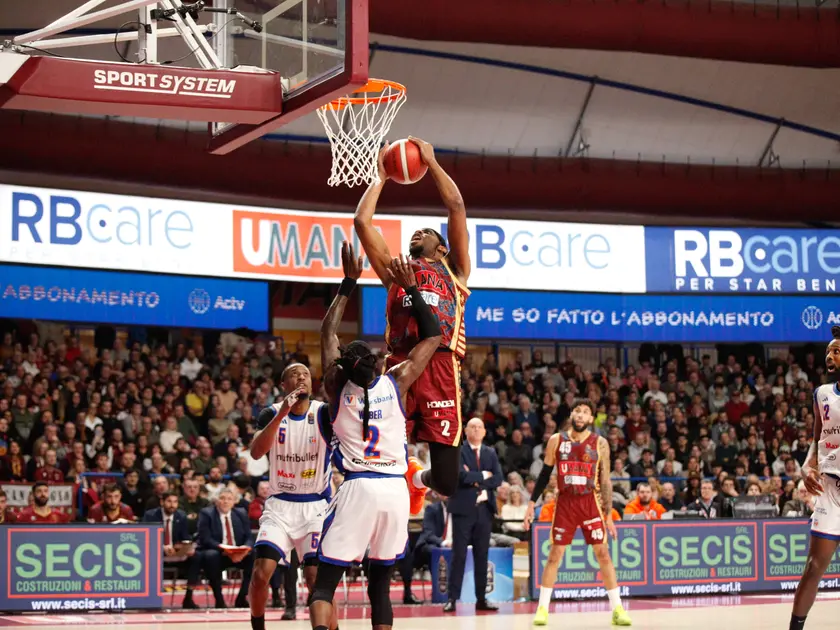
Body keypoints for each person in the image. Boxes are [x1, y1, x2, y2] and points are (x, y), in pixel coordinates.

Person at [308, 247, 441, 630]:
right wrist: (412, 289)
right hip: (395, 492)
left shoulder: (336, 387)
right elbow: (433, 334)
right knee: (380, 588)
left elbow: (327, 331)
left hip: (358, 487)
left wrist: (349, 281)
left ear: (342, 366)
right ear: (376, 363)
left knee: (324, 587)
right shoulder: (396, 381)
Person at [354, 137, 471, 514]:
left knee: (448, 484)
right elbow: (362, 222)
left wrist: (432, 162)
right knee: (379, 465)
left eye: (428, 232)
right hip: (400, 369)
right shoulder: (395, 272)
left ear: (442, 248)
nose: (418, 234)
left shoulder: (455, 270)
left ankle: (417, 479)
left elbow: (455, 206)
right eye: (414, 233)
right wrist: (382, 176)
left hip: (440, 367)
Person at [524, 401, 632, 626]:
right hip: (564, 502)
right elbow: (544, 474)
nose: (581, 415)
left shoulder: (600, 443)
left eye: (585, 412)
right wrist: (530, 504)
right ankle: (542, 608)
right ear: (571, 414)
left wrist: (609, 514)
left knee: (603, 554)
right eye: (577, 411)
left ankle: (617, 608)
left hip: (589, 502)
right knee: (555, 555)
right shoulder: (556, 440)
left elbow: (604, 480)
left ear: (591, 419)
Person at [248, 361, 332, 628]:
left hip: (315, 505)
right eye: (294, 374)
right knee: (262, 573)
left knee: (316, 578)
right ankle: (258, 624)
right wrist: (282, 413)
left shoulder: (324, 414)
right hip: (280, 506)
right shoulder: (270, 413)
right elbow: (256, 452)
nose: (301, 377)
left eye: (306, 374)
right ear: (283, 385)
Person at [790, 325, 840, 630]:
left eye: (837, 350)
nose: (830, 355)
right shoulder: (821, 393)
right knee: (813, 567)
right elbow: (817, 438)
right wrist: (807, 467)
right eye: (829, 351)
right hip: (831, 489)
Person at [443, 418, 502, 613]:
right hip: (463, 510)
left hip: (484, 511)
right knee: (458, 555)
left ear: (484, 432)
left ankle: (481, 598)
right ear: (465, 431)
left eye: (479, 427)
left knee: (481, 556)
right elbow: (460, 476)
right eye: (472, 427)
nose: (476, 430)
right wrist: (484, 475)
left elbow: (499, 478)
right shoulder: (459, 451)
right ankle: (452, 598)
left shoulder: (490, 452)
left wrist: (477, 481)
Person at [197, 488, 254, 609]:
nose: (225, 502)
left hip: (238, 553)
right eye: (222, 498)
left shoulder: (241, 513)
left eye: (229, 499)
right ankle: (219, 599)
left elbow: (249, 536)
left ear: (234, 502)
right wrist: (224, 549)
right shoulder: (207, 514)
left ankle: (242, 597)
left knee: (255, 555)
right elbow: (205, 538)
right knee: (210, 556)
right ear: (216, 501)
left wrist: (245, 549)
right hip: (219, 553)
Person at [144, 491, 200, 609]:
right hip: (156, 552)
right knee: (150, 556)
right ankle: (151, 600)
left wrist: (186, 547)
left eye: (175, 502)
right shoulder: (150, 515)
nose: (172, 505)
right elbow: (146, 538)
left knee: (196, 557)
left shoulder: (181, 515)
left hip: (176, 553)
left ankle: (188, 598)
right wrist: (162, 547)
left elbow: (185, 537)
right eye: (169, 501)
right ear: (162, 502)